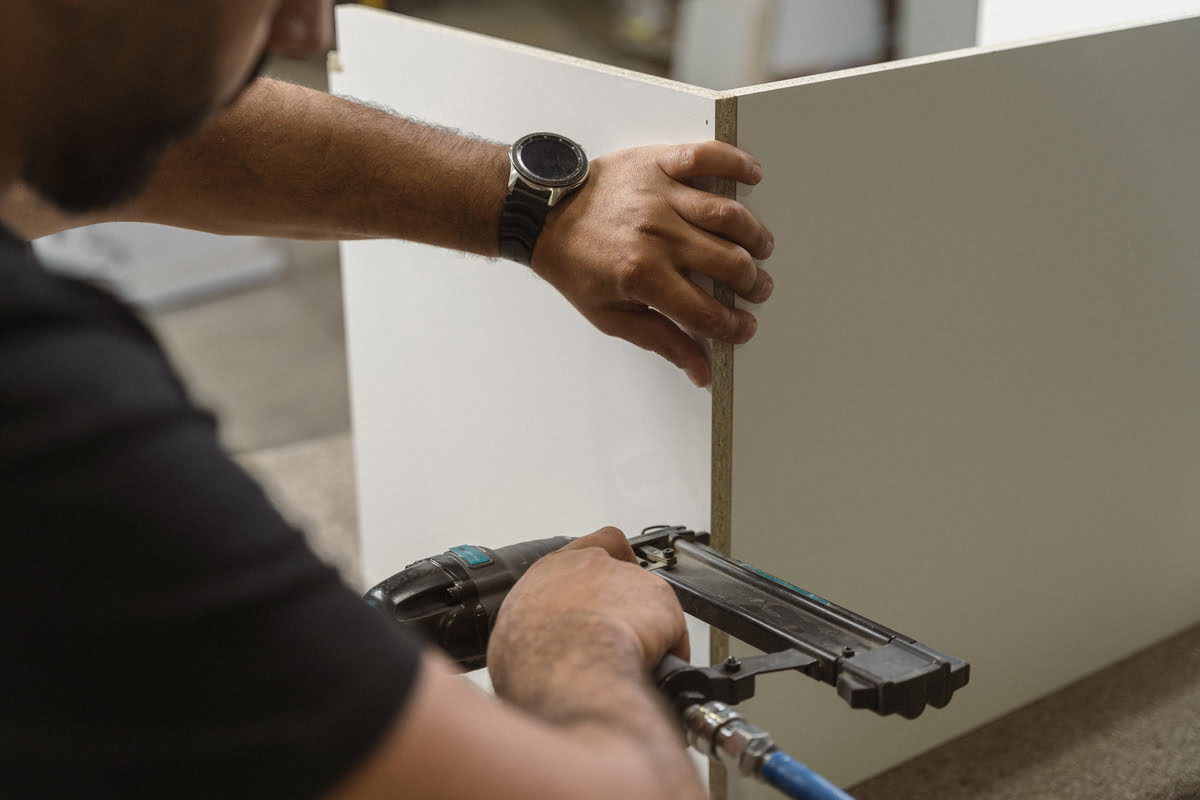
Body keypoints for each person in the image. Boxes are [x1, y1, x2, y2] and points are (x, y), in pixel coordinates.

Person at [0, 2, 774, 798]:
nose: (304, 30)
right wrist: (573, 650)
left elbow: (124, 103)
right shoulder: (40, 415)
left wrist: (538, 209)